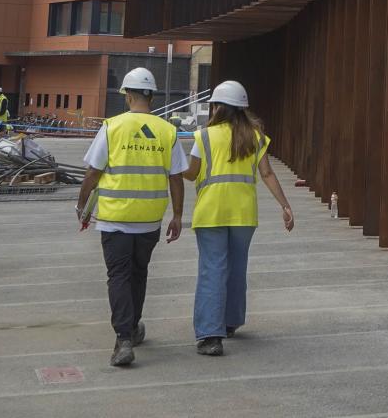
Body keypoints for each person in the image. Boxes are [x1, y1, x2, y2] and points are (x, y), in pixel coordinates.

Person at [75, 67, 186, 368]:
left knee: (119, 276)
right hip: (149, 220)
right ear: (151, 95)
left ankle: (124, 337)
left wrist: (81, 206)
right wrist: (177, 216)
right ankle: (133, 327)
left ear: (129, 95)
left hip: (115, 219)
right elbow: (176, 178)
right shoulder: (167, 131)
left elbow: (92, 173)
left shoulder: (112, 128)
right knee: (138, 274)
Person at [182, 80, 294, 357]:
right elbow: (267, 173)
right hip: (243, 213)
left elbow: (192, 173)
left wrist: (170, 166)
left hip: (211, 212)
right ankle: (230, 322)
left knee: (212, 270)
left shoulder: (204, 137)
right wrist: (285, 205)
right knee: (235, 269)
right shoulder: (255, 137)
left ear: (217, 107)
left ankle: (210, 334)